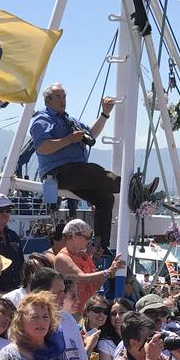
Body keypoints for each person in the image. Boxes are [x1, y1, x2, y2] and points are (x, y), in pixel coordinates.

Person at [30, 83, 121, 246]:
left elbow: (91, 134)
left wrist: (105, 114)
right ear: (48, 100)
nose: (63, 100)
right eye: (58, 96)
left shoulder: (70, 120)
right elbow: (43, 147)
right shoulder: (43, 119)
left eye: (64, 96)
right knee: (94, 171)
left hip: (76, 173)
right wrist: (69, 139)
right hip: (59, 172)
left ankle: (101, 246)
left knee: (105, 199)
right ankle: (130, 187)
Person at [52, 218, 124, 313]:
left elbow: (95, 284)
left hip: (86, 310)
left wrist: (109, 273)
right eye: (87, 238)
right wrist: (108, 272)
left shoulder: (84, 256)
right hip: (71, 313)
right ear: (74, 236)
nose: (89, 241)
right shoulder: (62, 258)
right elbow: (80, 277)